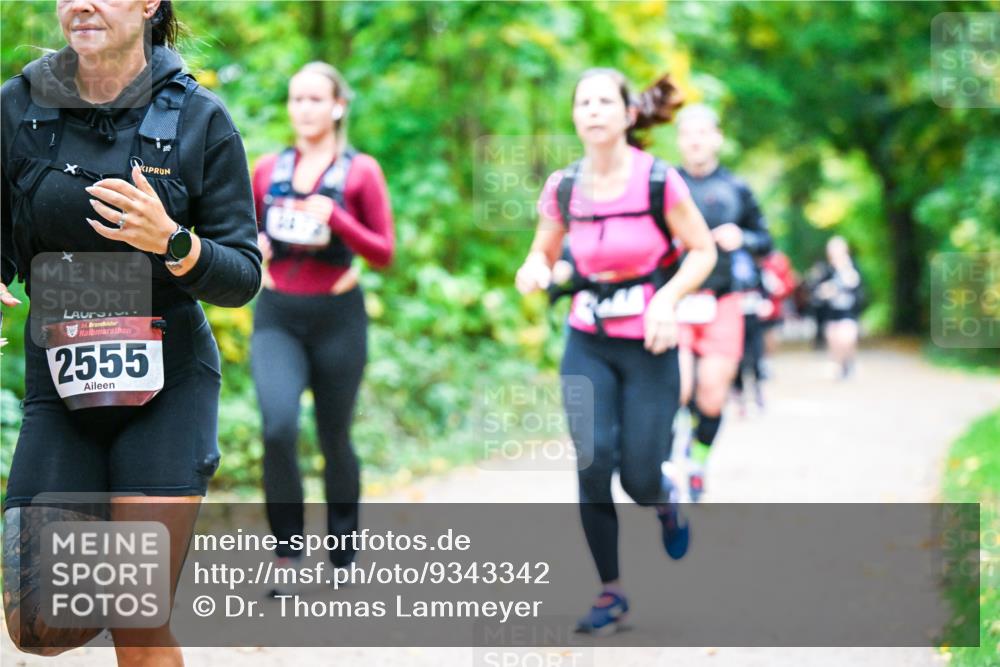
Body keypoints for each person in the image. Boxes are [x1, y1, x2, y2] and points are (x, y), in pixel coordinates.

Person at [1, 1, 261, 664]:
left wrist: (173, 242)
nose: (79, 4)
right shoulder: (17, 109)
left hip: (167, 386)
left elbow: (242, 273)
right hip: (59, 385)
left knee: (135, 612)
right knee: (39, 623)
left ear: (149, 4)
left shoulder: (200, 119)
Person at [516, 68, 716, 635]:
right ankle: (611, 591)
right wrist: (535, 269)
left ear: (629, 114)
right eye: (584, 102)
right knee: (590, 460)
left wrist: (668, 299)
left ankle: (664, 498)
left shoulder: (659, 181)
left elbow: (702, 252)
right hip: (589, 339)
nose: (595, 110)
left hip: (649, 344)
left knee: (637, 475)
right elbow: (545, 251)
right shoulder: (562, 187)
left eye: (607, 100)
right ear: (576, 116)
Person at [250, 61, 394, 588]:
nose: (304, 108)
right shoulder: (267, 169)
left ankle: (343, 556)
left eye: (315, 99)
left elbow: (383, 252)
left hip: (339, 317)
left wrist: (338, 219)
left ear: (337, 106)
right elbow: (242, 233)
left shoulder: (360, 172)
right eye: (296, 99)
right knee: (278, 427)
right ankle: (288, 555)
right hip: (278, 316)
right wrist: (254, 248)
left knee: (335, 437)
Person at [672, 104, 772, 500]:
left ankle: (697, 458)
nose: (695, 140)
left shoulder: (738, 188)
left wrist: (742, 238)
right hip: (676, 297)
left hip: (722, 301)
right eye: (688, 133)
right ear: (680, 140)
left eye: (702, 132)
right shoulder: (666, 184)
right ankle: (665, 461)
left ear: (716, 138)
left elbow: (766, 242)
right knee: (676, 387)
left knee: (711, 393)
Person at [814, 236, 863, 379]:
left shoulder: (852, 266)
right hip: (831, 312)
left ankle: (848, 362)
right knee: (833, 340)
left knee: (847, 338)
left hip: (849, 311)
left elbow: (855, 285)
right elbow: (818, 290)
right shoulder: (826, 269)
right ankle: (839, 366)